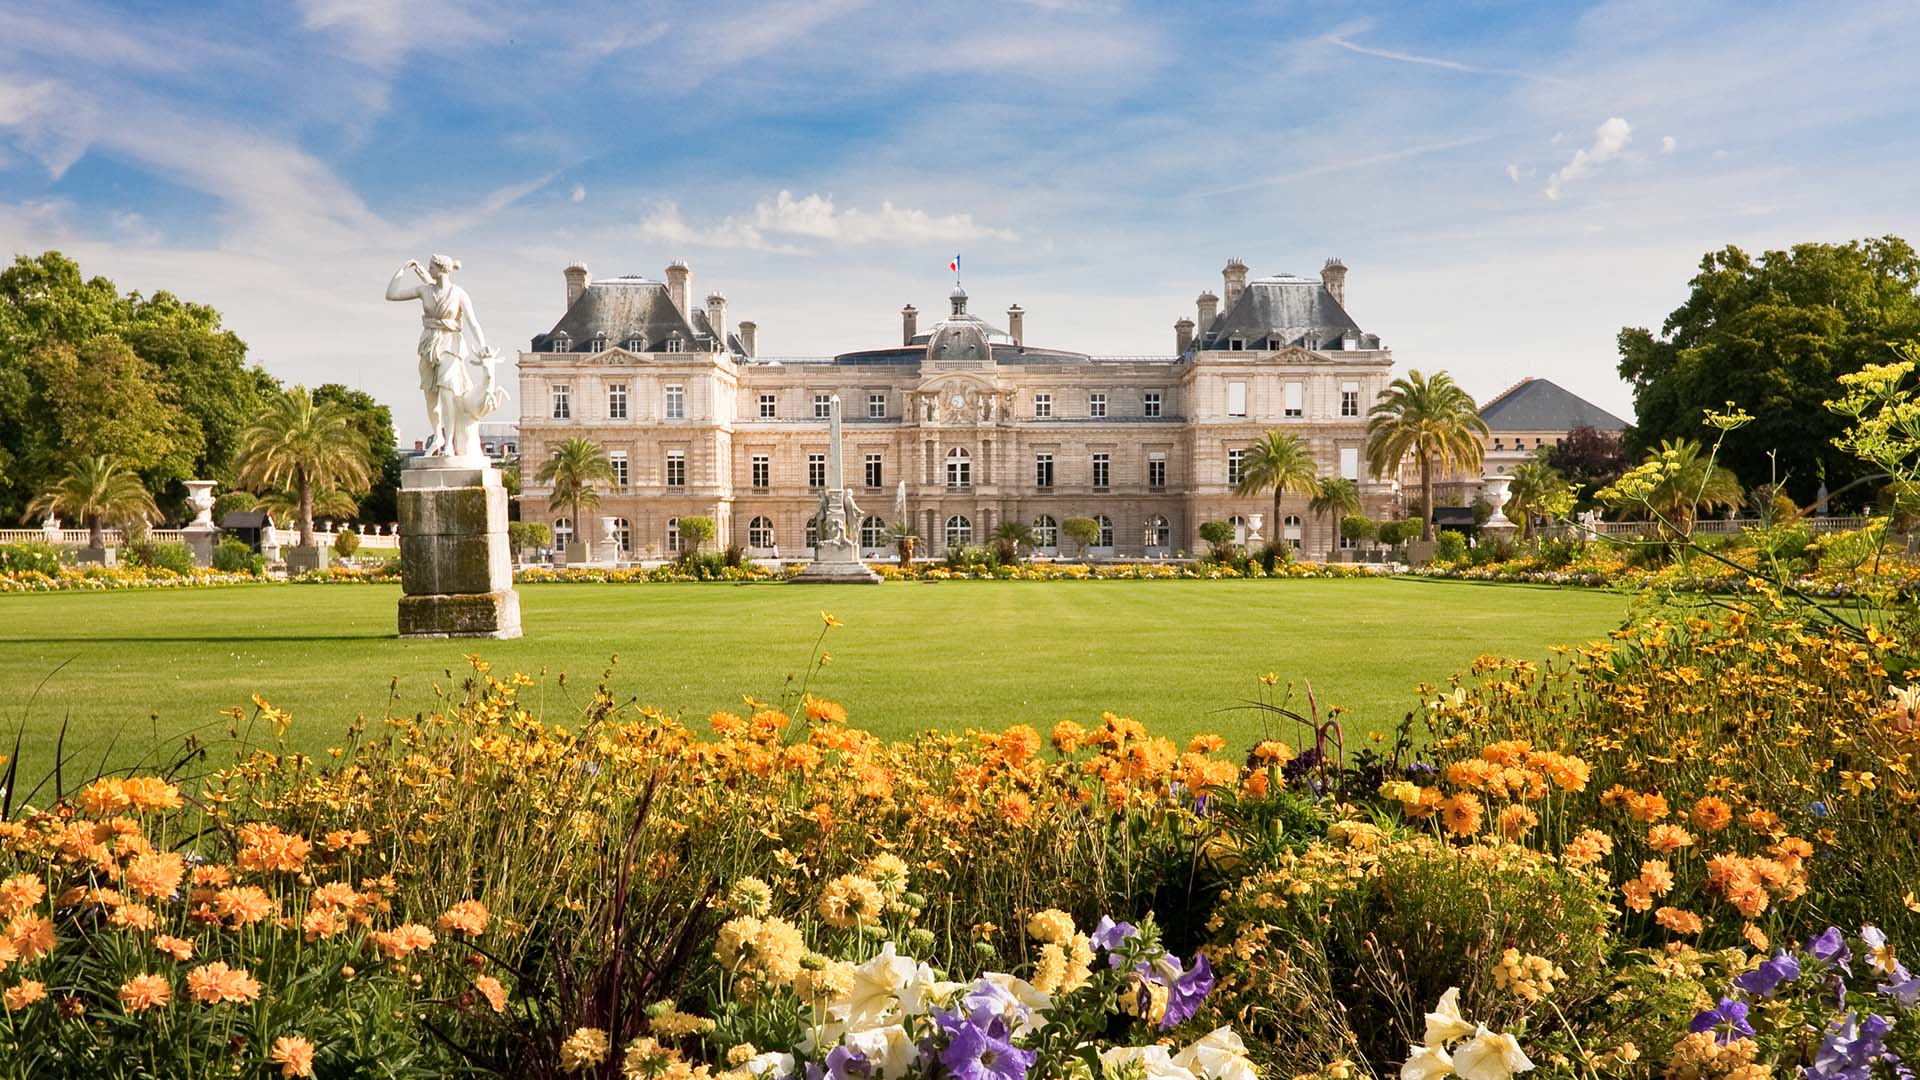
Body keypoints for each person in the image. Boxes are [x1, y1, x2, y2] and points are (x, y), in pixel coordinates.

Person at [386, 255, 489, 455]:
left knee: (446, 392)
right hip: (429, 343)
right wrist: (402, 270)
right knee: (430, 396)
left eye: (431, 266)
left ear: (441, 269)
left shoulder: (459, 294)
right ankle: (438, 436)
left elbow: (472, 322)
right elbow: (391, 295)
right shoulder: (424, 290)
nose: (428, 269)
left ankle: (449, 443)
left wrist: (483, 346)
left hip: (451, 343)